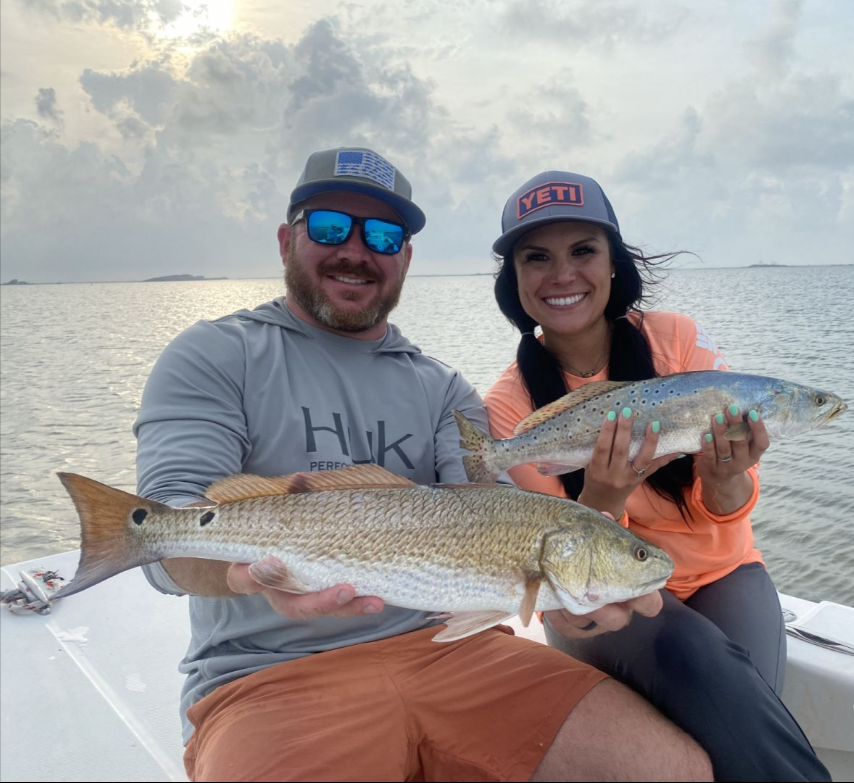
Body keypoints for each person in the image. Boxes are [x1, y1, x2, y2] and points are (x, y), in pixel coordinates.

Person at [134, 148, 713, 782]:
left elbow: (492, 520)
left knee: (673, 769)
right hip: (269, 676)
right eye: (330, 226)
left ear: (405, 257)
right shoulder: (215, 354)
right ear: (285, 240)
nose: (356, 250)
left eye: (384, 235)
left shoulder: (444, 390)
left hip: (455, 650)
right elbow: (163, 541)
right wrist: (249, 577)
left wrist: (567, 600)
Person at [484, 170, 831, 782]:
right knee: (700, 660)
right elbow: (556, 559)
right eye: (537, 258)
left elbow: (730, 510)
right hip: (603, 592)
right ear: (515, 281)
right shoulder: (511, 411)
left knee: (739, 706)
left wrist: (728, 477)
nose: (562, 274)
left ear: (614, 263)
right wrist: (604, 494)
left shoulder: (678, 340)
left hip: (724, 573)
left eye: (583, 251)